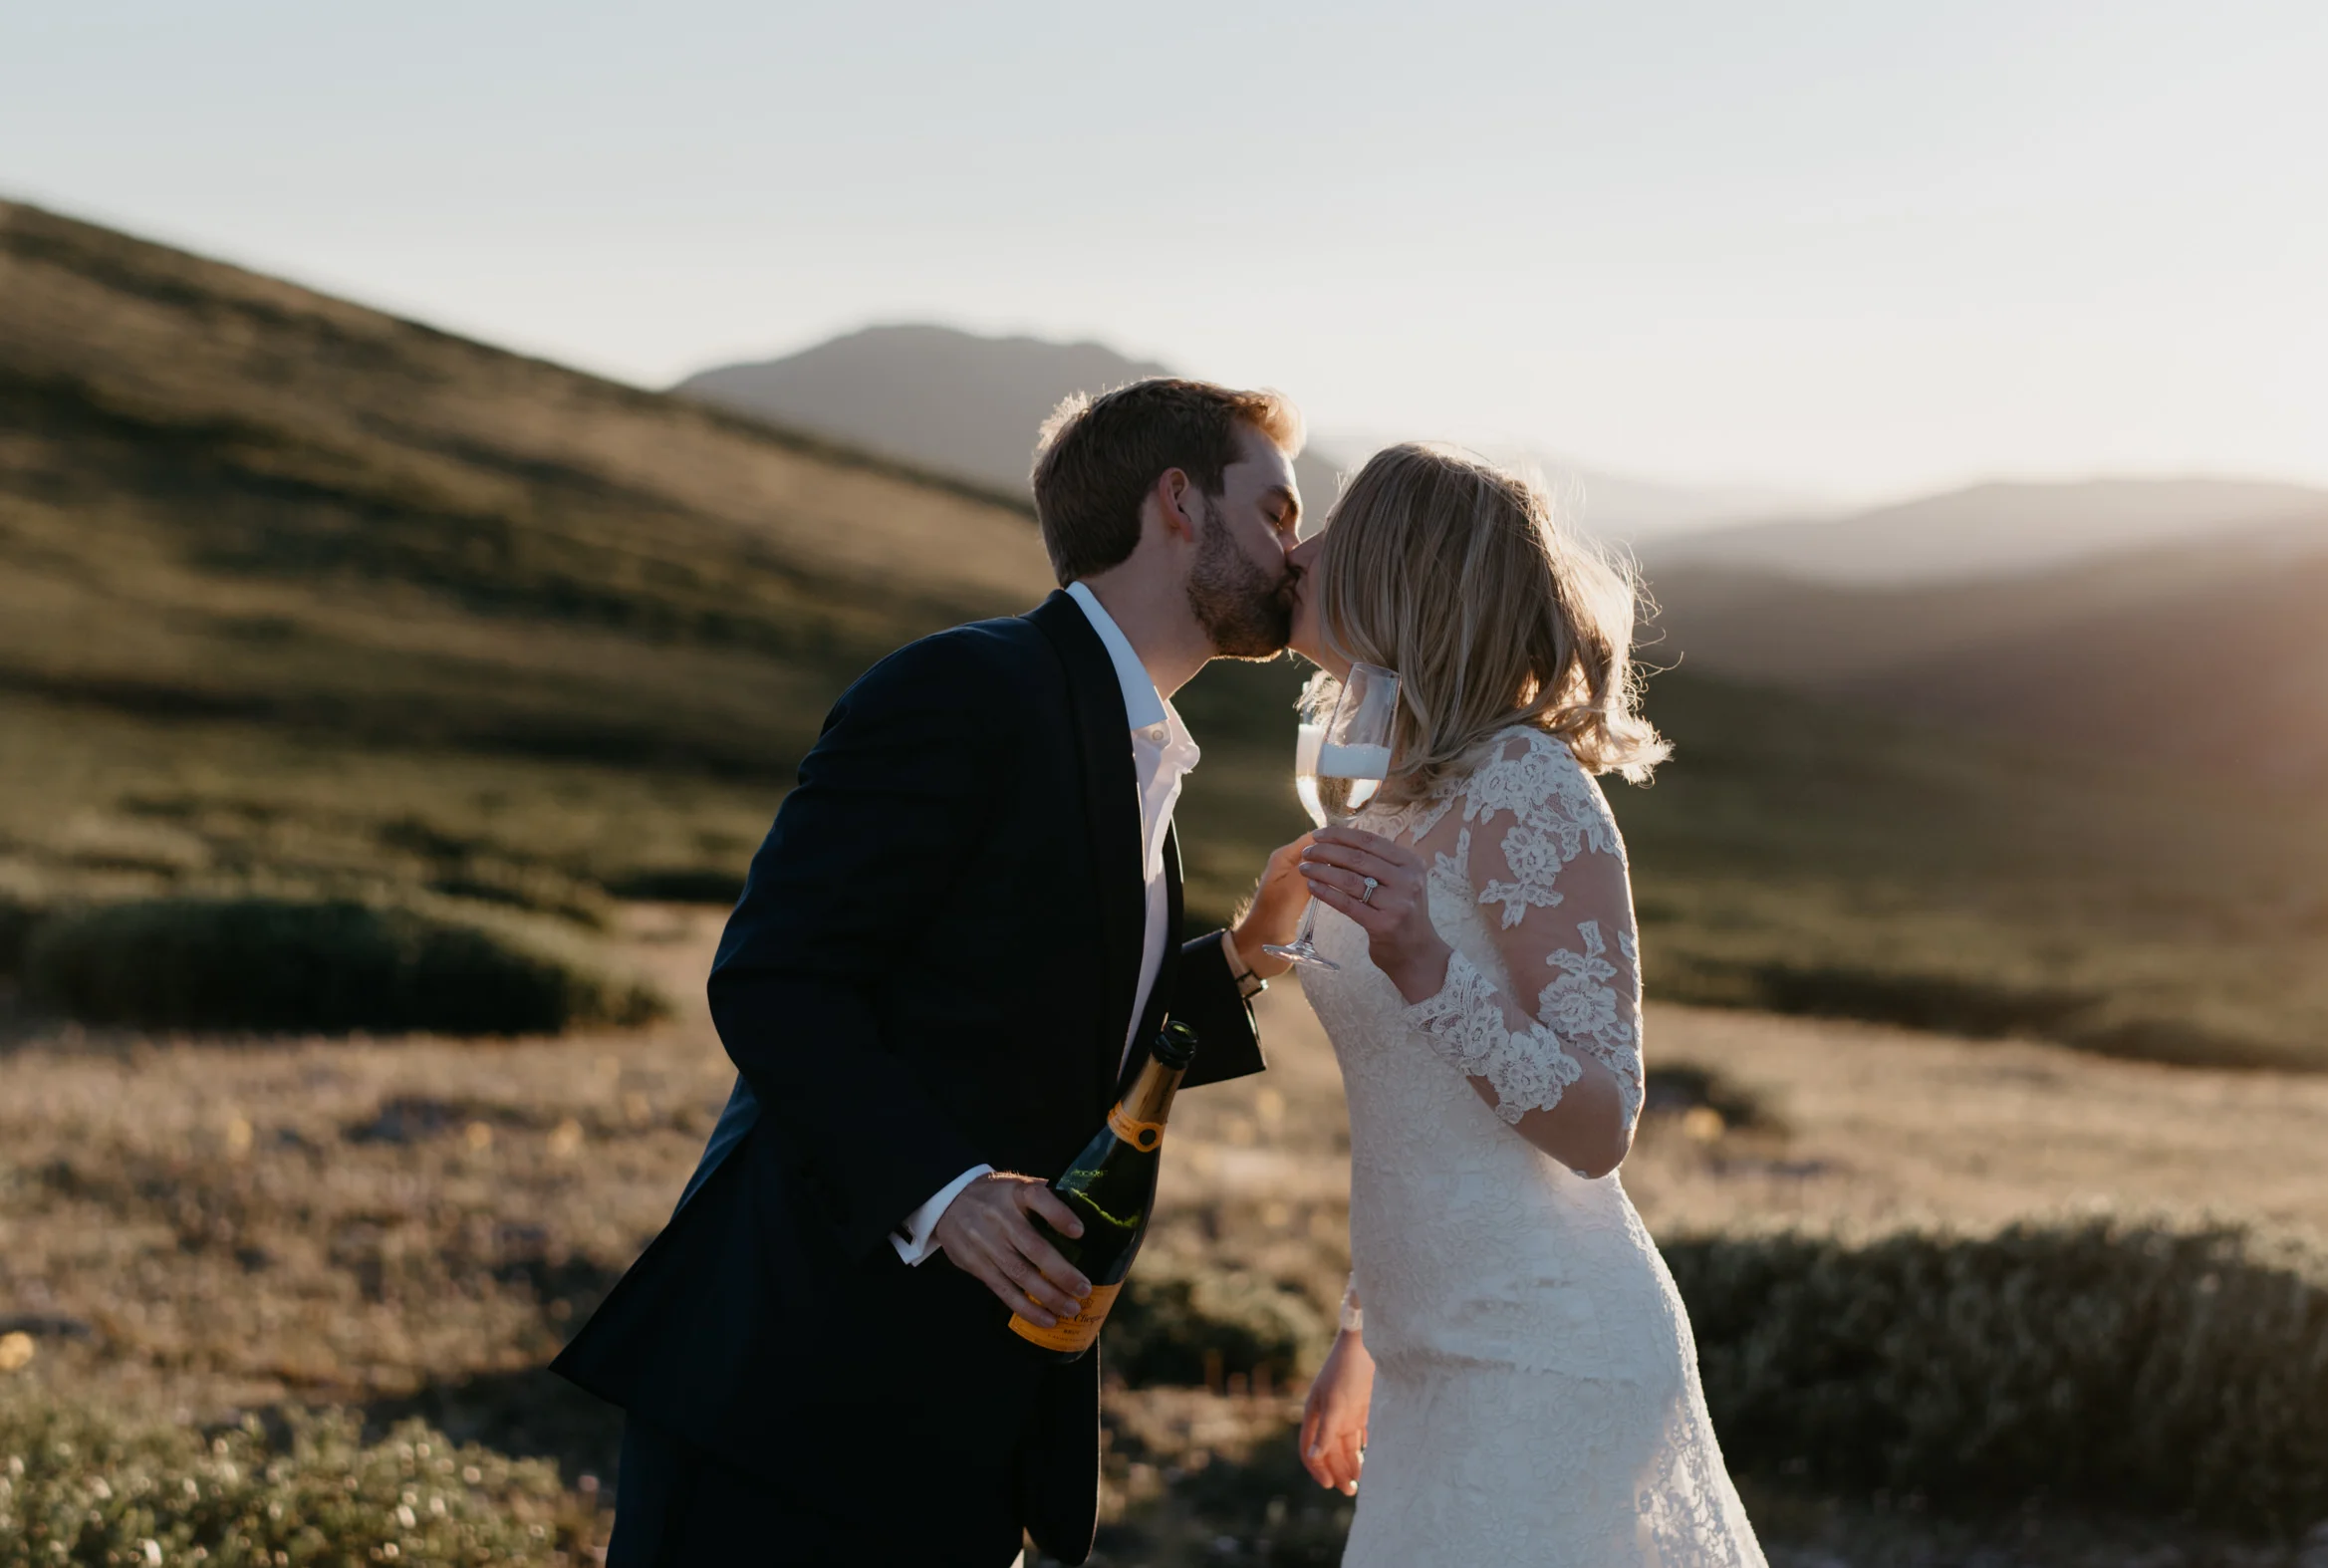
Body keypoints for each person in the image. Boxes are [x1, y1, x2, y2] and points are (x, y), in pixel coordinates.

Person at [552, 378, 1313, 1567]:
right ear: (1178, 502)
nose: (1294, 550)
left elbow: (1052, 1007)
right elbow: (776, 975)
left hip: (962, 1416)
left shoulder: (1138, 748)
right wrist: (945, 1191)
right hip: (791, 1391)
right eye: (1274, 511)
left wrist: (1241, 954)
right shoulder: (965, 686)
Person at [1251, 443, 1767, 1566]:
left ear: (1400, 574)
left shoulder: (1528, 787)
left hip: (1543, 1360)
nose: (1299, 551)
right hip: (1425, 1361)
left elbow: (1599, 1124)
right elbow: (1422, 1112)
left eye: (1333, 530)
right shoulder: (1392, 796)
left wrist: (1427, 966)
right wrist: (1362, 1334)